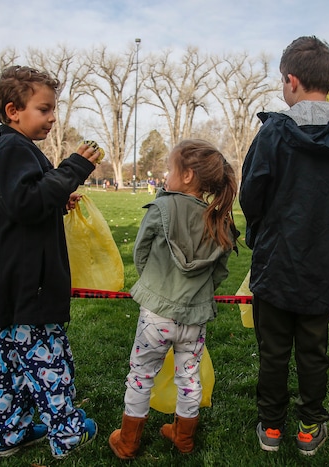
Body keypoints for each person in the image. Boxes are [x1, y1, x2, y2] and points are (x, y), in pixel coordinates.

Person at [240, 36, 329, 456]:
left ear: (291, 81)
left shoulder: (277, 133)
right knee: (313, 351)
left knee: (275, 351)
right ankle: (302, 425)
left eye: (281, 80)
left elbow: (250, 194)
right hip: (320, 263)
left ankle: (277, 426)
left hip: (281, 261)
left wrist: (263, 229)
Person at [0, 65, 100, 459]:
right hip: (29, 290)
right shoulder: (14, 150)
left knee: (8, 368)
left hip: (10, 289)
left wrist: (58, 199)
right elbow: (26, 203)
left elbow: (24, 204)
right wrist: (73, 169)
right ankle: (69, 434)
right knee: (49, 363)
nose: (52, 118)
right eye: (44, 109)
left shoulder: (18, 150)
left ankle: (10, 433)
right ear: (13, 111)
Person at [109, 139, 239, 459]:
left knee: (141, 375)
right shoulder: (221, 219)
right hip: (194, 320)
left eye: (170, 169)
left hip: (156, 315)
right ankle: (184, 438)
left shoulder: (162, 207)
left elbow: (141, 251)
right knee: (189, 377)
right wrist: (198, 292)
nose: (166, 174)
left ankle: (128, 442)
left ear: (188, 176)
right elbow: (219, 272)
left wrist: (153, 283)